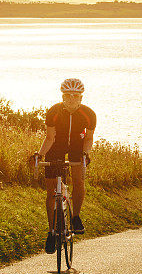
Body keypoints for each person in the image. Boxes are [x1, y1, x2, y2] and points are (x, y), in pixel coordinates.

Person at [30, 78, 96, 254]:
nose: (71, 99)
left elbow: (88, 138)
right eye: (67, 95)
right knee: (51, 191)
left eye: (75, 96)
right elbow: (50, 137)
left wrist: (85, 154)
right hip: (56, 147)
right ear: (62, 96)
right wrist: (40, 154)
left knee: (78, 180)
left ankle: (75, 217)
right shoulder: (54, 111)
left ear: (81, 98)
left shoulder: (89, 114)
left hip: (77, 147)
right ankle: (51, 232)